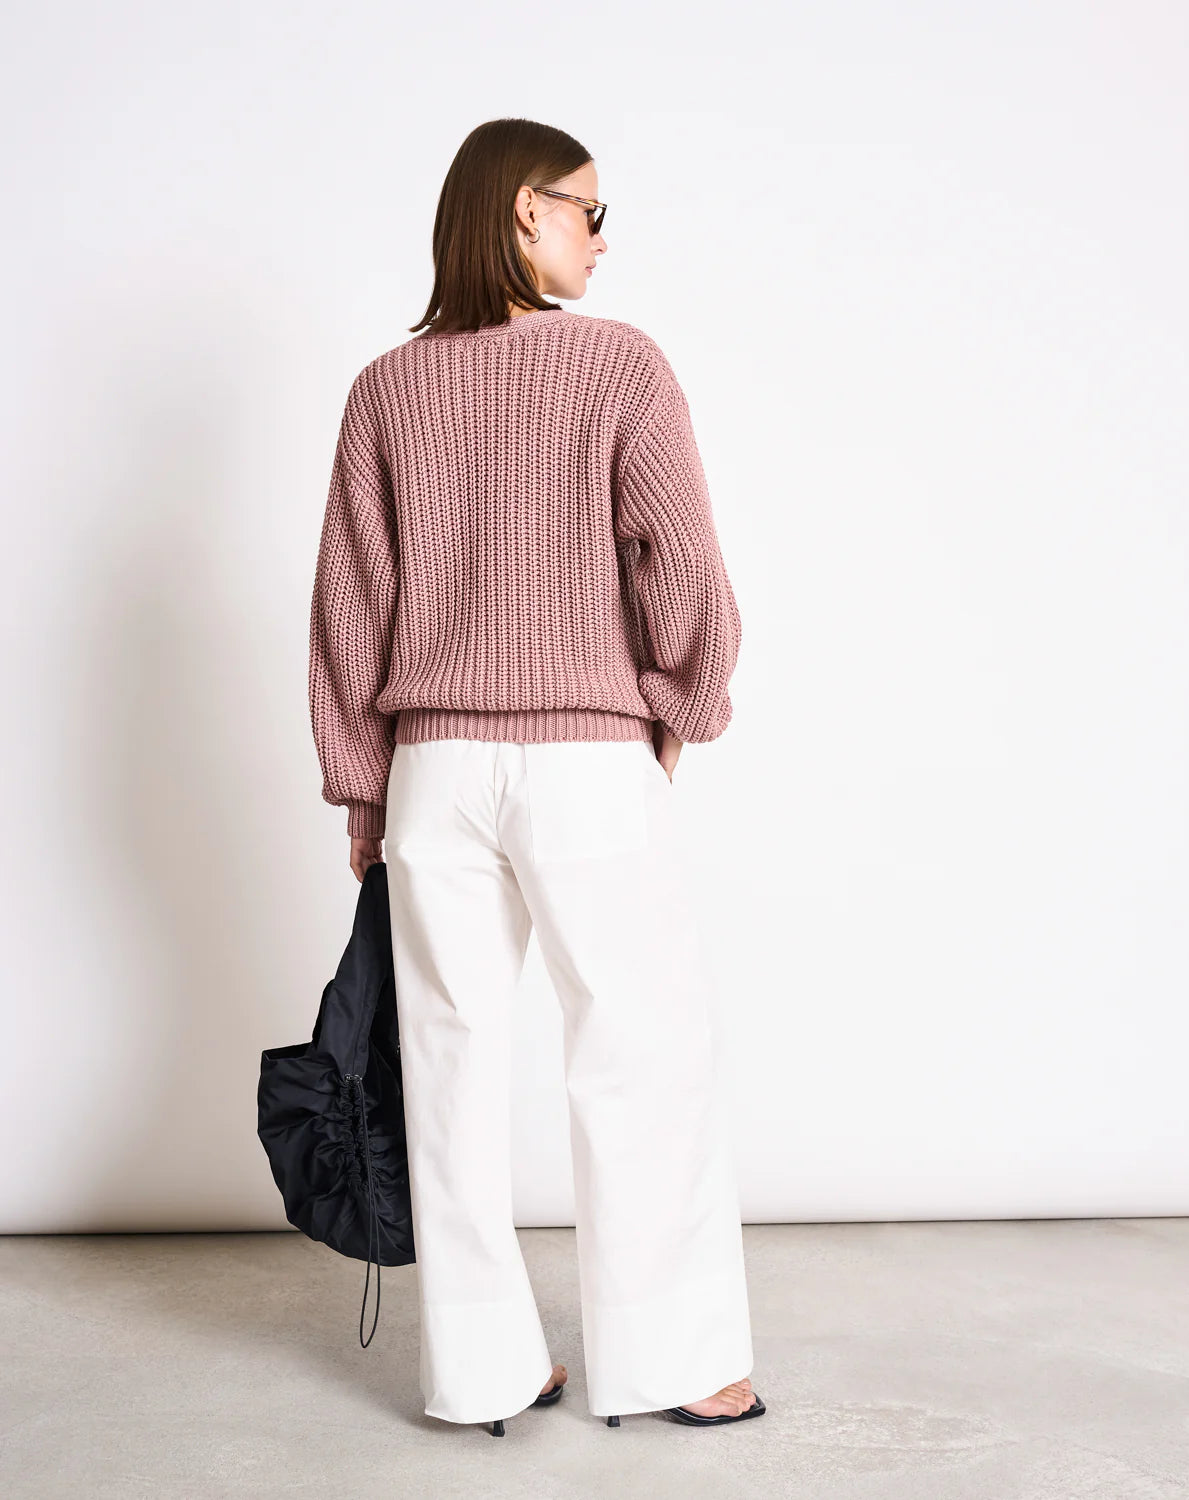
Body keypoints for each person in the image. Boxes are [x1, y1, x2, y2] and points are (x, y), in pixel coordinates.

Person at [307, 116, 765, 1434]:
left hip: (435, 768)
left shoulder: (386, 388)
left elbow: (349, 601)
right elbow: (682, 562)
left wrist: (364, 783)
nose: (603, 240)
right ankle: (675, 1366)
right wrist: (680, 704)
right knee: (640, 1051)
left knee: (449, 1062)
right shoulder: (620, 364)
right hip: (584, 766)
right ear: (526, 210)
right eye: (591, 212)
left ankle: (481, 1373)